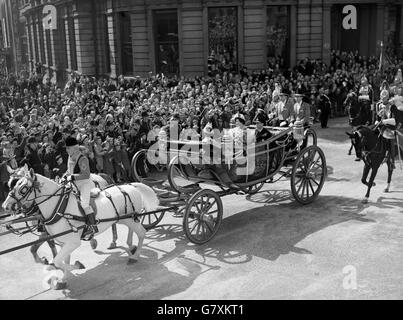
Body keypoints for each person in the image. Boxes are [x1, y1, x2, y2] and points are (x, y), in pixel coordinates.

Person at [64, 136, 98, 240]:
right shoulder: (69, 157)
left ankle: (92, 226)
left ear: (74, 148)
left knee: (84, 204)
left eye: (68, 148)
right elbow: (69, 171)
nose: (66, 150)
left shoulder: (82, 158)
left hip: (84, 184)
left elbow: (86, 174)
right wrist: (64, 177)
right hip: (74, 184)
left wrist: (72, 177)